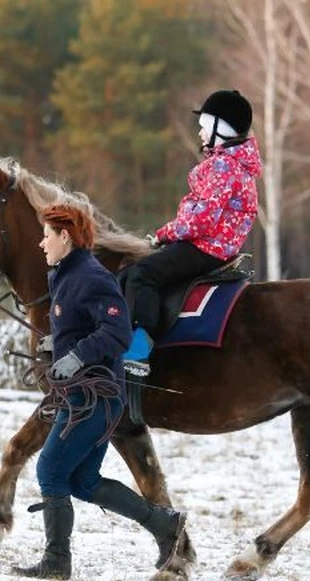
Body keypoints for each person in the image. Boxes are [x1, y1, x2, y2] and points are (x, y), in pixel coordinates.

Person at [14, 203, 187, 580]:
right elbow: (81, 325)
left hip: (95, 398)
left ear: (66, 237)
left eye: (46, 236)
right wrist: (56, 347)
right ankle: (164, 524)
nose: (41, 244)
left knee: (50, 470)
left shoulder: (93, 277)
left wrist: (76, 357)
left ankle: (57, 563)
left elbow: (117, 332)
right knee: (82, 481)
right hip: (81, 396)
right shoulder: (64, 275)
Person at [123, 89, 262, 375]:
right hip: (214, 247)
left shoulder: (223, 166)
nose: (199, 133)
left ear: (219, 129)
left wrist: (163, 234)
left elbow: (201, 220)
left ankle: (139, 347)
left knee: (142, 273)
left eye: (203, 127)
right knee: (130, 273)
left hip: (204, 247)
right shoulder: (235, 166)